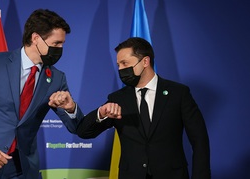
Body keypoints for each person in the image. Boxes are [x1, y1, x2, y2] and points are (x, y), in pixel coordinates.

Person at [0, 9, 84, 179]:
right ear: (35, 38)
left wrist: (71, 108)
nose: (60, 49)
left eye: (62, 44)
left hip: (22, 170)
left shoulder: (57, 78)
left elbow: (76, 127)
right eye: (56, 43)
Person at [77, 37, 211, 179]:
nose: (120, 69)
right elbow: (84, 132)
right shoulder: (118, 99)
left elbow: (200, 140)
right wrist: (101, 113)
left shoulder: (178, 93)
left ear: (145, 61)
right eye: (118, 65)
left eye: (124, 63)